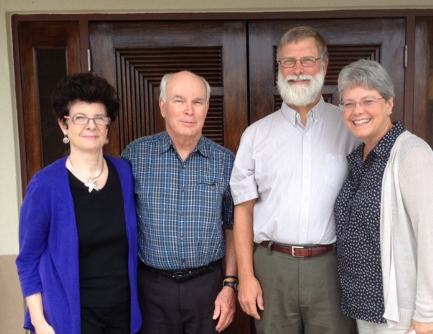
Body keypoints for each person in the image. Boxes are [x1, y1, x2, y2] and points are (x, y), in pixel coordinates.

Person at [230, 26, 360, 334]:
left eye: (307, 60)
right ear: (279, 69)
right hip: (271, 267)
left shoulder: (350, 128)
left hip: (332, 267)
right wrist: (246, 278)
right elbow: (243, 210)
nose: (297, 70)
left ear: (324, 66)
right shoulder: (255, 135)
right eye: (288, 61)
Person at [16, 73, 141, 334]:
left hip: (122, 314)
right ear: (64, 125)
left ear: (107, 126)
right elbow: (28, 260)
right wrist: (40, 323)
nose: (91, 125)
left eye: (99, 118)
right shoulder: (45, 185)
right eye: (80, 118)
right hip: (70, 318)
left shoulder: (124, 174)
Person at [120, 70, 237, 334]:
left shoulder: (226, 161)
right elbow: (120, 224)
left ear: (206, 108)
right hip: (151, 288)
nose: (189, 110)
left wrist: (230, 286)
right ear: (162, 106)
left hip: (208, 288)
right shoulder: (135, 156)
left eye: (197, 102)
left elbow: (233, 228)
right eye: (179, 100)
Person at [335, 59, 433, 334]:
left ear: (389, 103)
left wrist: (427, 312)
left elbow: (430, 235)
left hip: (402, 315)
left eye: (368, 100)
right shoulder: (358, 158)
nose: (357, 111)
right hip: (364, 307)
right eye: (349, 103)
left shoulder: (411, 154)